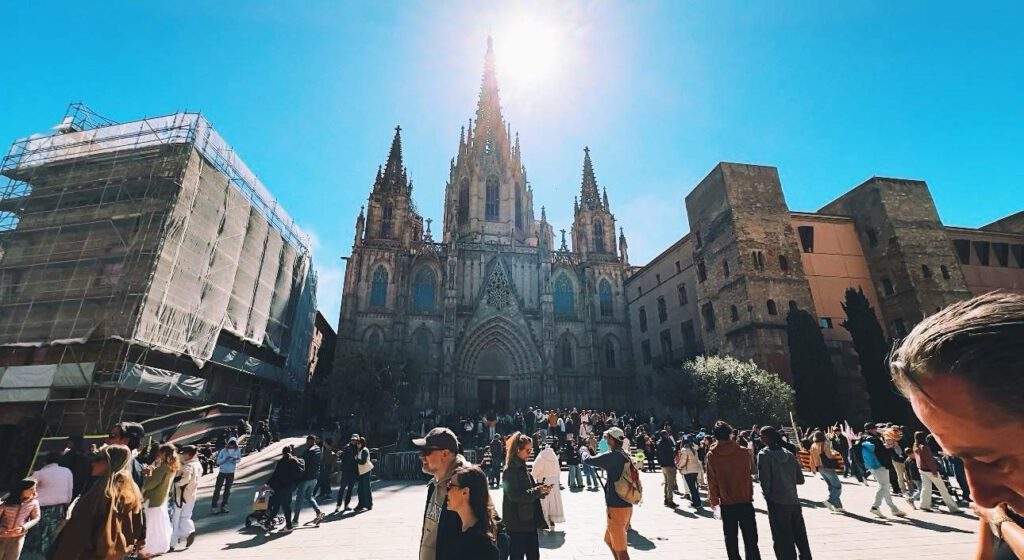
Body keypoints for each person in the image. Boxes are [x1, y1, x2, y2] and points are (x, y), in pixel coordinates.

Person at [889, 292, 1024, 559]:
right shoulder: (1006, 499)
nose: (980, 497)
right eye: (961, 459)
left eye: (995, 461)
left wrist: (1001, 523)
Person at [50, 445, 145, 560]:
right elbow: (136, 526)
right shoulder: (131, 490)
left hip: (88, 554)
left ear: (110, 462)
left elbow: (78, 533)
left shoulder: (103, 493)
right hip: (112, 554)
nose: (93, 463)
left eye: (99, 459)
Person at [706, 421, 761, 560]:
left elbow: (711, 482)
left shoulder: (712, 455)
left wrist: (713, 501)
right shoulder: (744, 452)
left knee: (730, 539)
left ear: (715, 436)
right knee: (751, 540)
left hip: (727, 502)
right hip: (745, 500)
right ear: (731, 434)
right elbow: (753, 471)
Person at [756, 426, 811, 560]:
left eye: (762, 436)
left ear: (768, 438)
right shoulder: (789, 454)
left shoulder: (764, 455)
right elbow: (800, 479)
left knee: (781, 537)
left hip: (776, 502)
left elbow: (765, 482)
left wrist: (768, 497)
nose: (760, 439)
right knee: (800, 535)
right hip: (793, 500)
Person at [583, 427, 633, 560]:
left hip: (617, 507)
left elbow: (589, 461)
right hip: (625, 504)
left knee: (621, 550)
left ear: (612, 439)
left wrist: (583, 451)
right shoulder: (623, 454)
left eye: (607, 438)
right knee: (609, 540)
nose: (606, 440)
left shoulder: (613, 456)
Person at [415, 427, 465, 560]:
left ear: (445, 454)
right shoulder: (434, 484)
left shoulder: (465, 485)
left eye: (427, 451)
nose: (422, 456)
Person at [503, 432, 549, 560]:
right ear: (518, 450)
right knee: (517, 556)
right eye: (528, 451)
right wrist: (537, 491)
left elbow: (528, 491)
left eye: (531, 450)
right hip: (517, 523)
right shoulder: (510, 470)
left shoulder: (521, 467)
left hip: (528, 520)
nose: (530, 454)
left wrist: (540, 490)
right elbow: (515, 495)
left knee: (533, 556)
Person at [445, 465, 500, 560]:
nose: (446, 492)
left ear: (465, 492)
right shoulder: (457, 529)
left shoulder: (483, 545)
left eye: (450, 486)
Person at [25, 452, 72, 558]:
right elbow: (69, 493)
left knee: (33, 539)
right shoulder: (67, 472)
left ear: (45, 462)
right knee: (49, 538)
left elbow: (25, 489)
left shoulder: (39, 473)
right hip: (59, 509)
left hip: (39, 509)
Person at [140, 443, 179, 556]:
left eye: (160, 453)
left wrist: (147, 475)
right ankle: (161, 546)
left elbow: (149, 485)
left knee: (152, 525)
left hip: (154, 499)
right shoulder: (171, 467)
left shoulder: (162, 468)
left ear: (164, 454)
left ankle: (152, 548)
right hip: (162, 498)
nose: (158, 455)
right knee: (161, 524)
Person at [860, 423, 906, 518]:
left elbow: (877, 450)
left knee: (884, 486)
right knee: (884, 486)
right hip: (880, 465)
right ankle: (875, 507)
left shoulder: (864, 438)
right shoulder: (873, 439)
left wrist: (884, 447)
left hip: (872, 465)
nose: (876, 430)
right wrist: (888, 447)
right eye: (875, 428)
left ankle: (894, 509)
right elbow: (881, 452)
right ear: (871, 429)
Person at [910, 431, 961, 513]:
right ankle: (953, 508)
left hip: (922, 470)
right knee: (943, 489)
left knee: (926, 488)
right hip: (930, 470)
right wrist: (934, 471)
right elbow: (930, 461)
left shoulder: (915, 446)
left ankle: (924, 505)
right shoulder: (924, 447)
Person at [169, 445, 201, 551]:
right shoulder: (197, 464)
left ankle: (172, 543)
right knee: (186, 516)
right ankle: (189, 531)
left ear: (188, 454)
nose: (181, 456)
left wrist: (174, 483)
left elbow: (184, 480)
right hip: (191, 495)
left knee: (175, 519)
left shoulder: (187, 467)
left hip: (181, 496)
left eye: (183, 454)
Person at [266, 445, 304, 532]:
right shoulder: (294, 461)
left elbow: (275, 475)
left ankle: (286, 525)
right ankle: (271, 522)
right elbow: (298, 473)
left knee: (277, 504)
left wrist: (267, 484)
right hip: (289, 487)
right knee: (285, 506)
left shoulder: (281, 462)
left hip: (280, 487)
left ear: (282, 453)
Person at [0, 479, 40, 560]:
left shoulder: (34, 503)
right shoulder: (7, 500)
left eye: (35, 488)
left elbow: (36, 518)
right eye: (31, 489)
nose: (33, 491)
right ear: (22, 489)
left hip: (17, 538)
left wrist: (23, 527)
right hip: (2, 535)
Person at [530, 442, 565, 529]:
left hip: (543, 481)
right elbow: (558, 470)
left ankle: (543, 521)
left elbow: (535, 471)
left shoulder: (541, 458)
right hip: (554, 483)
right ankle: (552, 521)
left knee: (543, 502)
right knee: (553, 502)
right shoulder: (554, 457)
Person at [807, 431, 843, 513]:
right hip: (828, 468)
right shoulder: (824, 444)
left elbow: (811, 457)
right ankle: (829, 501)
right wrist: (834, 453)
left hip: (820, 468)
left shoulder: (813, 445)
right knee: (838, 487)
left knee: (831, 486)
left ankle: (837, 507)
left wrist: (813, 468)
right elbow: (829, 456)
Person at [293, 435, 325, 525]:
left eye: (307, 441)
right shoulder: (318, 449)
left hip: (306, 478)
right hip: (314, 477)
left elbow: (302, 462)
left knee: (299, 499)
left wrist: (293, 455)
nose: (306, 443)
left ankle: (295, 520)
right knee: (309, 496)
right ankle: (318, 512)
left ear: (311, 441)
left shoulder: (309, 451)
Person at [106, 422, 146, 488]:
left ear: (125, 441)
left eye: (113, 435)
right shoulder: (137, 470)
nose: (107, 439)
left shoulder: (109, 465)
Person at [211, 437, 241, 514]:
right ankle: (214, 507)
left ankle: (224, 506)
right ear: (228, 443)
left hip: (231, 472)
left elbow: (239, 459)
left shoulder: (237, 450)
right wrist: (225, 459)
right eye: (231, 443)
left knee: (228, 490)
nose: (232, 445)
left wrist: (235, 460)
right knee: (217, 489)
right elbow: (218, 462)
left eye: (234, 444)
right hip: (222, 472)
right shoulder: (223, 451)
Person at [676, 437, 703, 510]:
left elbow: (683, 461)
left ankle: (697, 503)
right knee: (694, 487)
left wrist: (679, 466)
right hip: (695, 470)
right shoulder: (694, 450)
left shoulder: (684, 450)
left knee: (692, 488)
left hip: (688, 471)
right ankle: (696, 502)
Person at [334, 436, 359, 512]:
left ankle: (346, 505)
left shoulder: (357, 448)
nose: (354, 441)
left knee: (350, 489)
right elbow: (341, 456)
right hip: (346, 471)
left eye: (355, 440)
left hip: (353, 472)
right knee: (342, 488)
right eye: (353, 440)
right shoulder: (347, 447)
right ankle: (338, 505)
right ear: (351, 440)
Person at [656, 430, 678, 507]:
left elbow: (658, 454)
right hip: (669, 465)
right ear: (665, 435)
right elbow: (670, 454)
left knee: (666, 483)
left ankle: (666, 499)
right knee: (670, 484)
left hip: (663, 465)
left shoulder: (658, 443)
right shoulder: (667, 442)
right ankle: (670, 500)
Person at [354, 437, 373, 511]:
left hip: (366, 470)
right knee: (360, 489)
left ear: (362, 443)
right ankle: (361, 504)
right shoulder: (360, 450)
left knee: (366, 488)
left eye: (359, 443)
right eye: (357, 443)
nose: (357, 445)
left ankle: (369, 504)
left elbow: (363, 462)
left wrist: (356, 459)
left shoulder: (364, 450)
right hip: (361, 471)